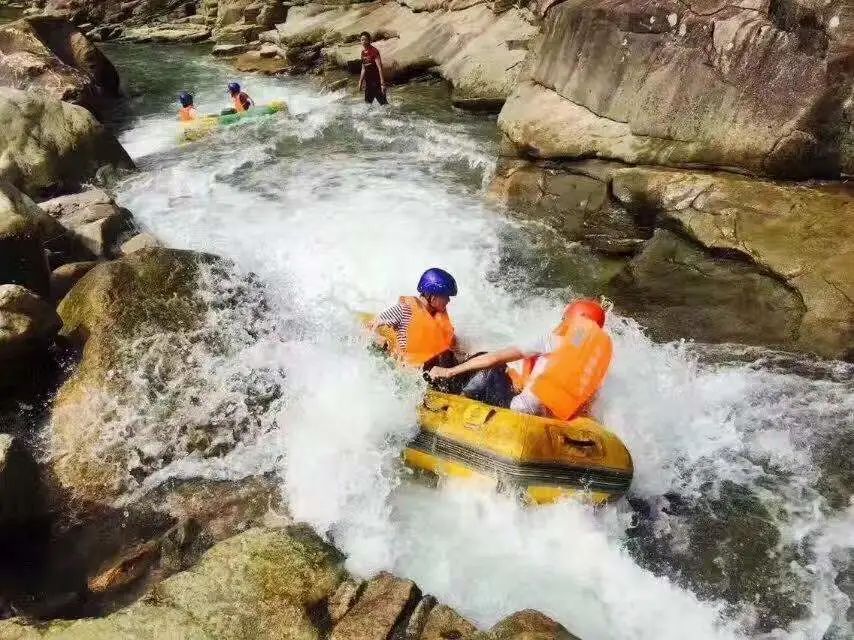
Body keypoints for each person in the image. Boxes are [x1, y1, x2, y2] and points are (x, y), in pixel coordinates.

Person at [429, 299, 612, 420]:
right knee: (507, 374)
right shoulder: (593, 364)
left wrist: (449, 371)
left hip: (519, 410)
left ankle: (454, 406)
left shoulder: (550, 341)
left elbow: (493, 359)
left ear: (569, 319)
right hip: (547, 421)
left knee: (492, 367)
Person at [370, 268, 457, 370]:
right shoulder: (404, 310)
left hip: (430, 372)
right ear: (432, 296)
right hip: (405, 371)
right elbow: (370, 327)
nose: (448, 300)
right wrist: (378, 338)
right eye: (446, 296)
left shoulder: (438, 320)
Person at [358, 31, 387, 106]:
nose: (363, 42)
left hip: (376, 82)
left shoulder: (374, 51)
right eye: (362, 40)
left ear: (369, 40)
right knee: (367, 104)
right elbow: (363, 68)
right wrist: (360, 82)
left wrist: (382, 83)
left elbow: (379, 67)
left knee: (384, 104)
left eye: (365, 40)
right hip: (368, 82)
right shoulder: (363, 53)